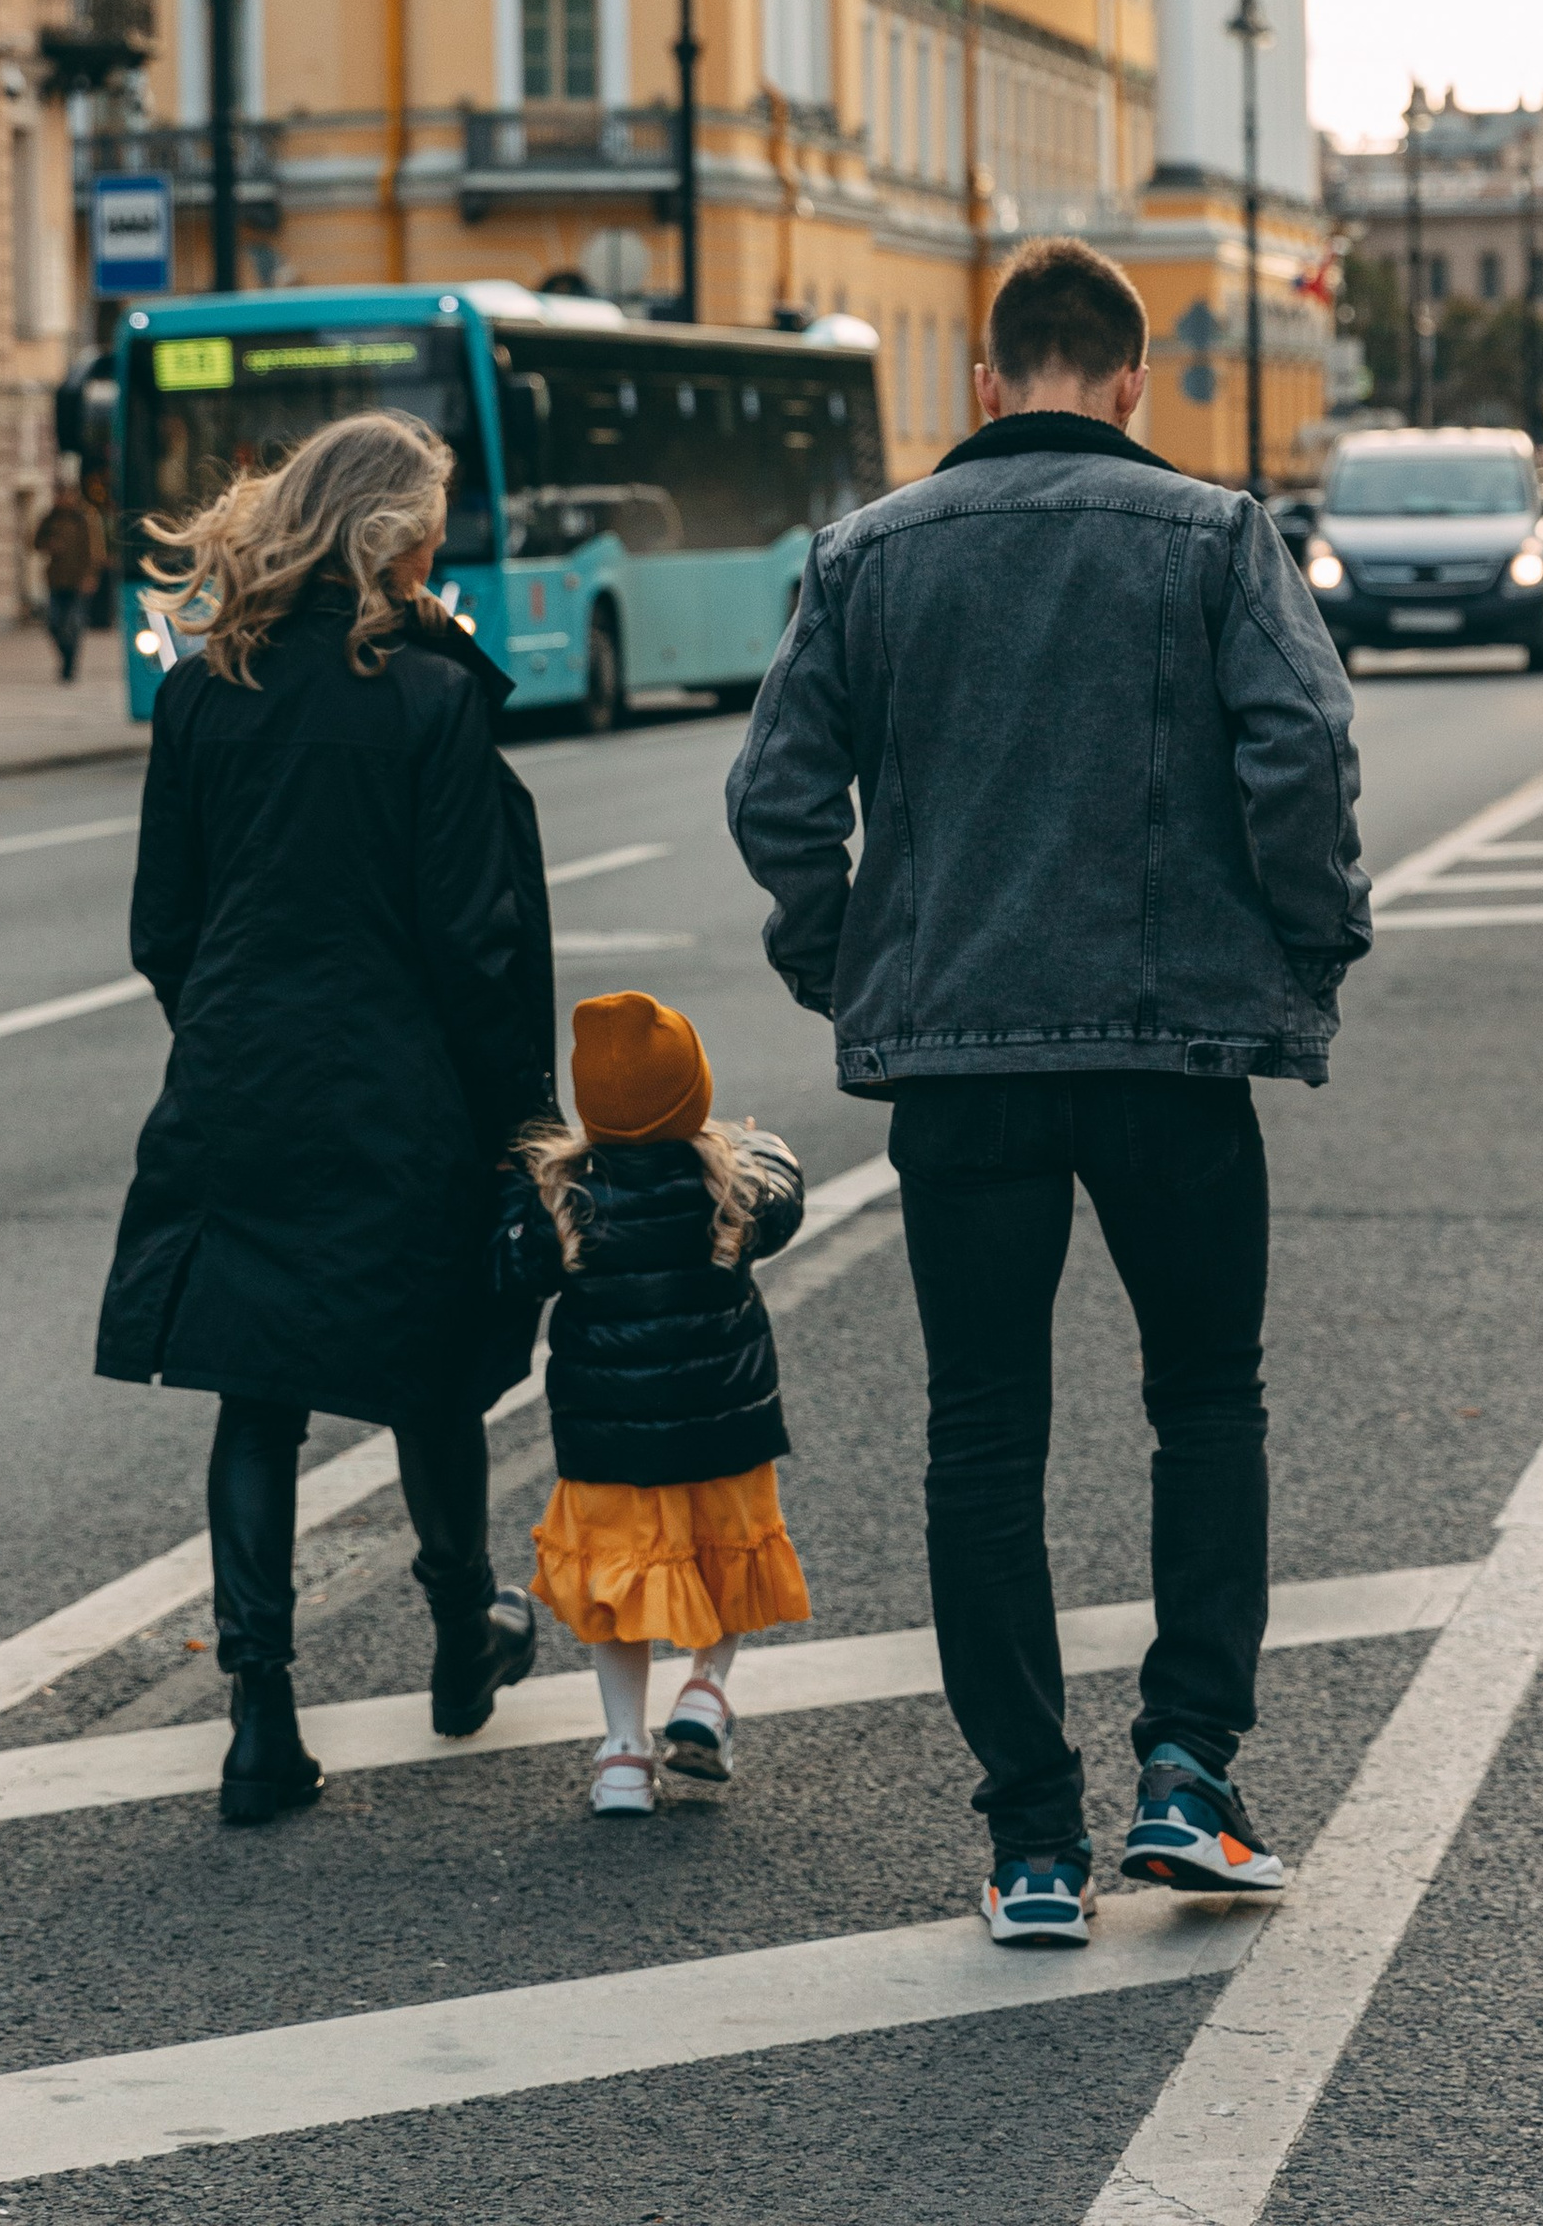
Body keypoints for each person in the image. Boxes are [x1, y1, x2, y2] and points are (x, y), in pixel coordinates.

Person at [728, 235, 1374, 1947]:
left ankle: (1027, 1843)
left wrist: (850, 964)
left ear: (988, 384)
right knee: (1205, 1404)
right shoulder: (1219, 535)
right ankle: (1185, 1778)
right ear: (1134, 382)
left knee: (983, 1440)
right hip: (1170, 1059)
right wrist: (1302, 948)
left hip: (961, 1065)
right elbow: (1302, 750)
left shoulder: (863, 557)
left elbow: (777, 801)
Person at [94, 411, 558, 1826]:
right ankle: (464, 1641)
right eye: (431, 523)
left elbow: (161, 926)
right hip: (398, 1082)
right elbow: (477, 942)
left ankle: (260, 1717)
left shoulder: (201, 692)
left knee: (256, 1383)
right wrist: (519, 1123)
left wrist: (234, 1030)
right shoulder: (428, 700)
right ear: (397, 539)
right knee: (434, 1368)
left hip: (240, 1076)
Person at [496, 989, 809, 1816]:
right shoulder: (734, 1186)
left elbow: (512, 1266)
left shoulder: (562, 1200)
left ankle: (624, 1755)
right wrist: (756, 1144)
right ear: (694, 1095)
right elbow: (787, 1184)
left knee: (618, 1594)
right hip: (724, 1436)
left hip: (611, 1449)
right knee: (725, 1563)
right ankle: (706, 1692)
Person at [31, 468, 102, 682]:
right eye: (59, 494)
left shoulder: (84, 518)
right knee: (53, 623)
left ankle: (70, 665)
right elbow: (35, 542)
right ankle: (65, 657)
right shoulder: (50, 518)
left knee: (73, 625)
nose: (62, 499)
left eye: (66, 494)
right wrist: (49, 545)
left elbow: (95, 550)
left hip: (78, 580)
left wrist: (90, 576)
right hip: (55, 579)